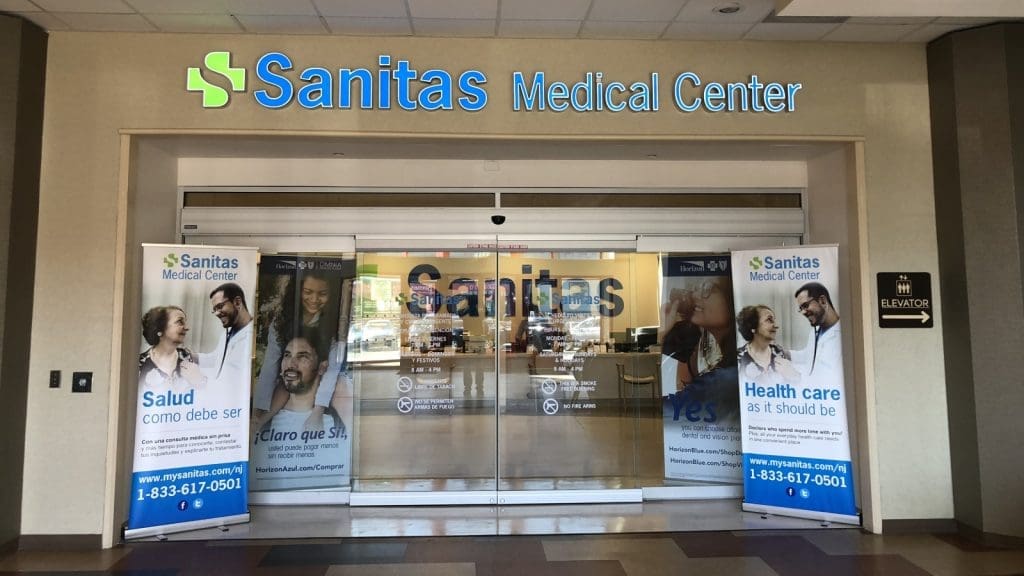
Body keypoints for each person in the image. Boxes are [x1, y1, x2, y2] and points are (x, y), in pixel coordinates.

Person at [254, 271, 347, 431]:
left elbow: (332, 369)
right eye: (308, 292)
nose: (314, 299)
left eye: (322, 294)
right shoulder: (280, 322)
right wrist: (257, 414)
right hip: (291, 381)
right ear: (298, 292)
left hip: (322, 381)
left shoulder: (334, 324)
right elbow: (270, 368)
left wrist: (318, 412)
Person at [268, 332, 342, 433]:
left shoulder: (334, 422)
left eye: (302, 356)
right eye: (287, 355)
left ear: (322, 367)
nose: (291, 364)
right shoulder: (267, 421)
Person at [198, 283, 253, 387]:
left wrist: (198, 379)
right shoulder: (228, 332)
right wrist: (192, 356)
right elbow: (217, 358)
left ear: (237, 302)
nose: (217, 313)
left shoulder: (250, 338)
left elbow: (231, 382)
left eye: (219, 307)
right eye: (214, 310)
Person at [138, 305, 202, 388]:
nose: (187, 328)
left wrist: (200, 381)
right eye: (179, 321)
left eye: (185, 322)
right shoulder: (139, 364)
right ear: (159, 328)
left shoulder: (191, 358)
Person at [791, 282, 842, 382]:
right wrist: (786, 354)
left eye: (805, 306)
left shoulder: (843, 337)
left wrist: (796, 375)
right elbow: (809, 355)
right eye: (801, 309)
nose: (803, 312)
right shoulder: (815, 331)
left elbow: (829, 379)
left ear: (822, 301)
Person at [736, 305, 800, 384]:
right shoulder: (738, 357)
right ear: (753, 326)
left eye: (774, 320)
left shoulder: (781, 353)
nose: (776, 326)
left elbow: (795, 385)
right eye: (769, 320)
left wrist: (794, 376)